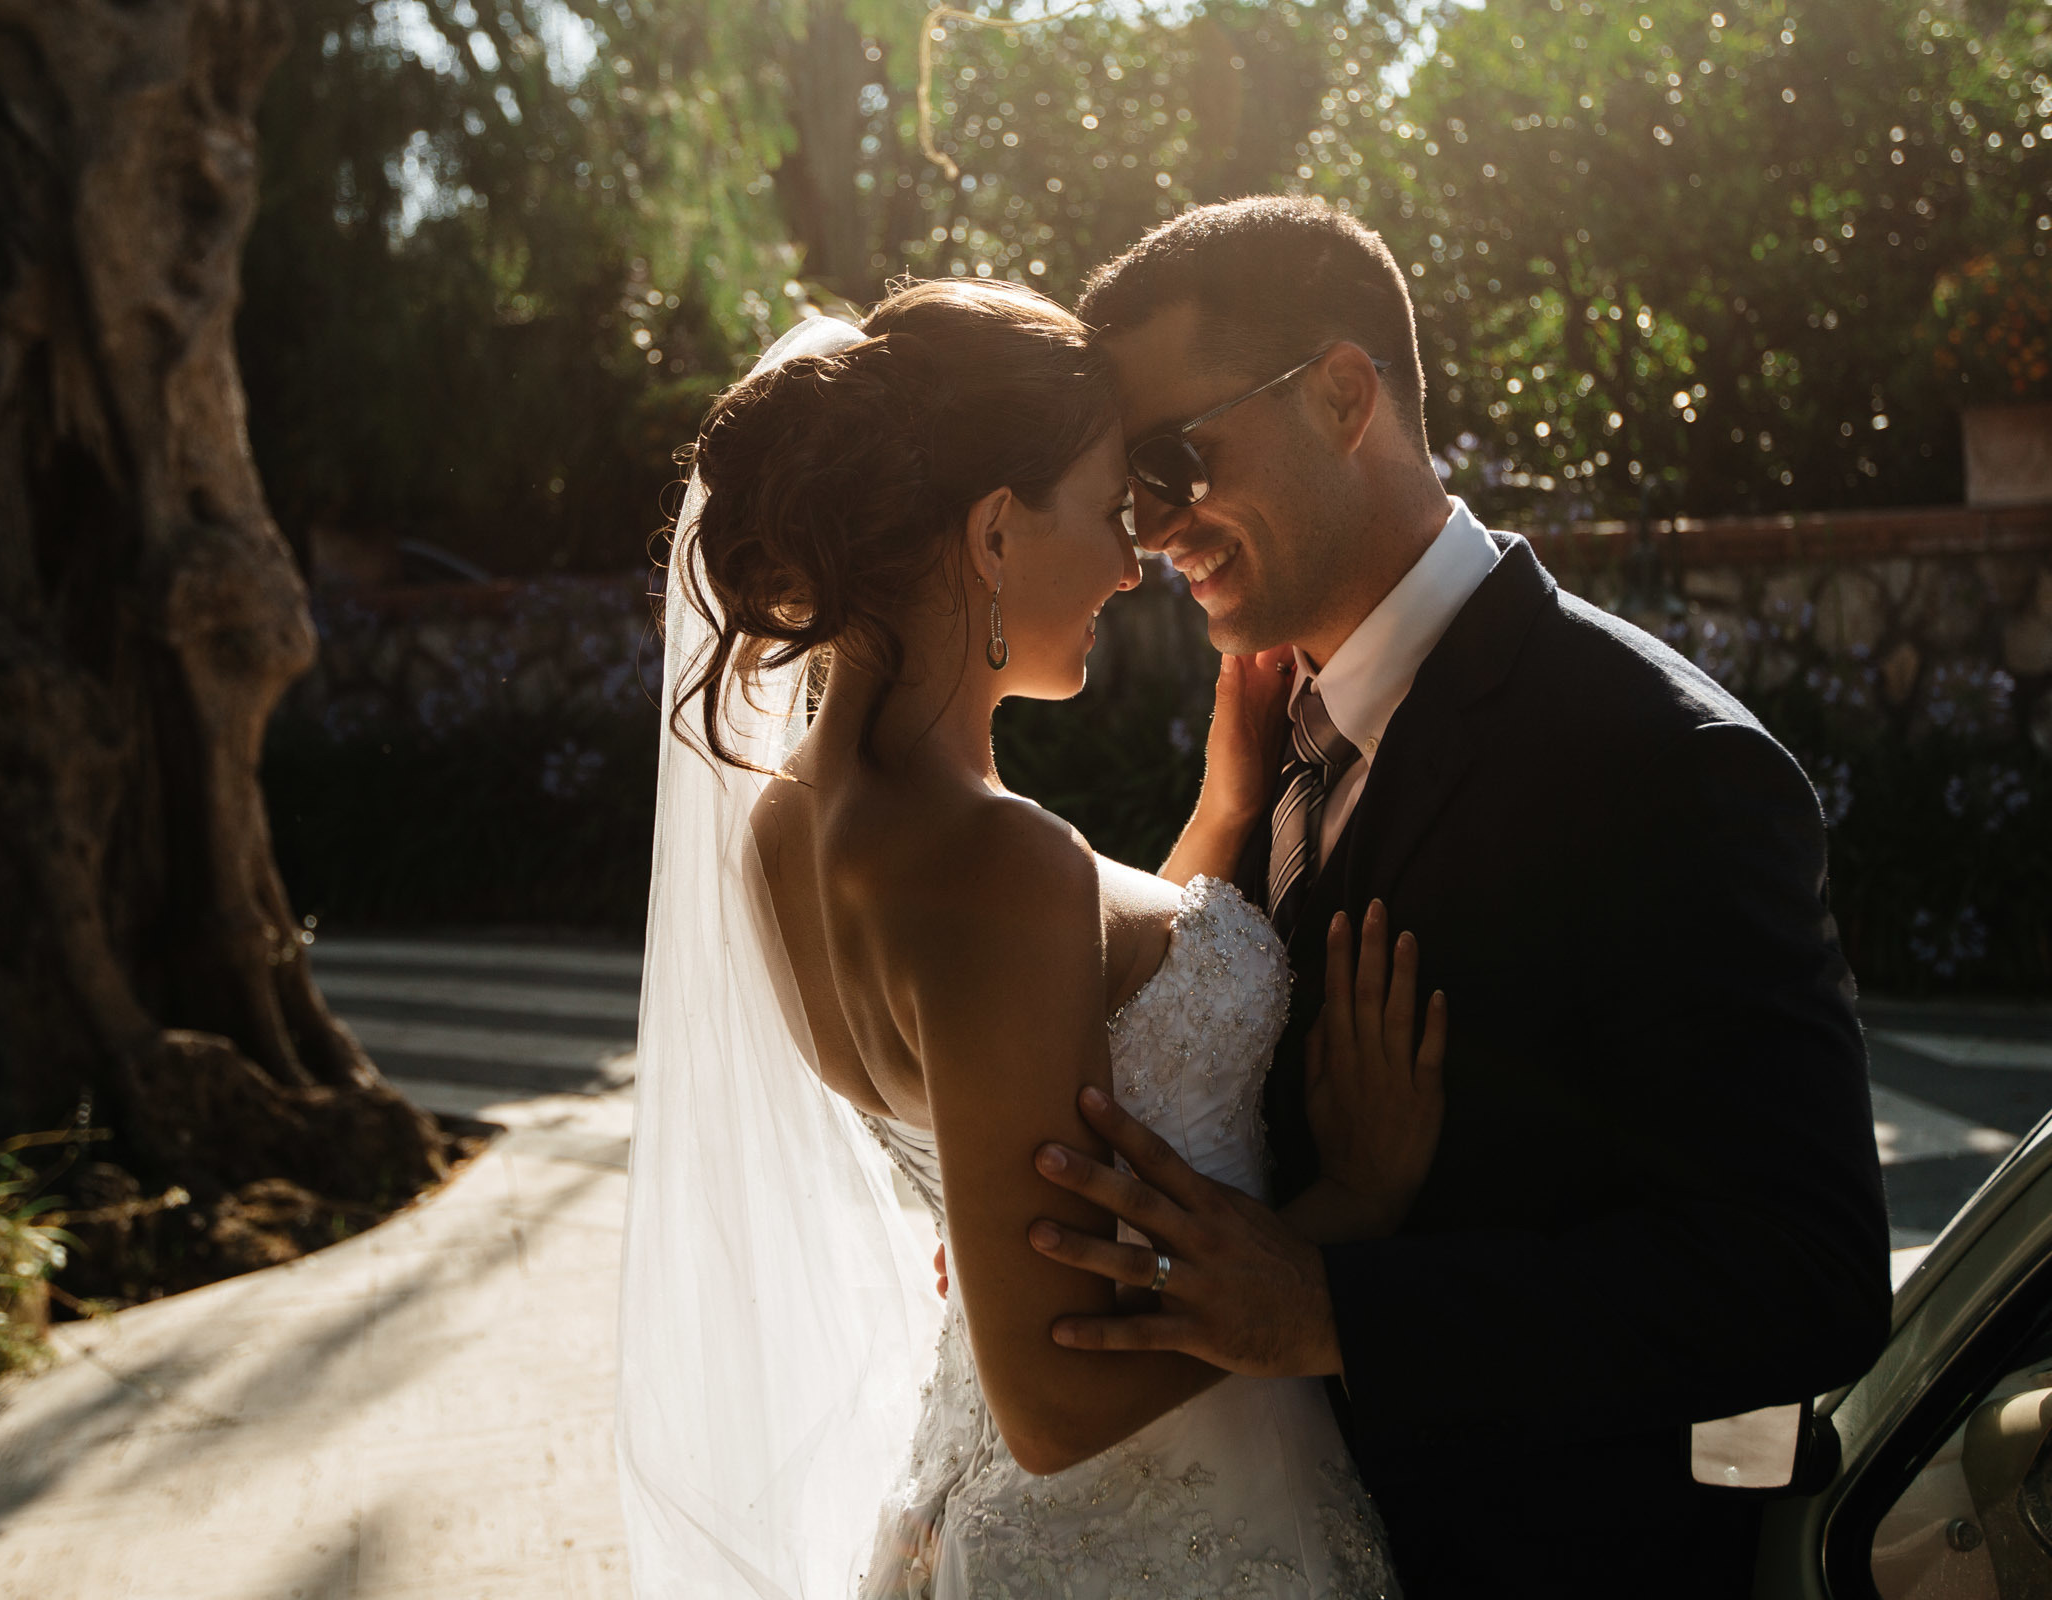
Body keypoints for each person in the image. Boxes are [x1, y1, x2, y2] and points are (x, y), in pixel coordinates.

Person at [1020, 195, 1893, 1597]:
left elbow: (1805, 1277)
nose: (1157, 528)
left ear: (1344, 395)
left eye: (1178, 461)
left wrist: (1339, 1309)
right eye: (1133, 488)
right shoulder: (1256, 738)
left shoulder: (1666, 766)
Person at [617, 278, 1442, 1599]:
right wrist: (1354, 1210)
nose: (1133, 561)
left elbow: (1070, 1021)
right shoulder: (1003, 869)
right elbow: (1053, 1403)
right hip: (1165, 1536)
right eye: (1112, 508)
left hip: (987, 1519)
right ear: (996, 533)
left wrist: (1225, 811)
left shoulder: (789, 829)